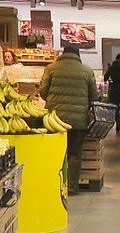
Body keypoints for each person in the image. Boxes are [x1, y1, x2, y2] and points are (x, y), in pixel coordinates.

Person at [40, 45, 98, 195]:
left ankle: (54, 184)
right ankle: (72, 187)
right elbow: (94, 96)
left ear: (63, 54)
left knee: (56, 151)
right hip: (78, 120)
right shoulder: (87, 71)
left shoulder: (51, 68)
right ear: (78, 55)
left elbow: (43, 92)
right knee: (75, 154)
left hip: (55, 120)